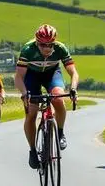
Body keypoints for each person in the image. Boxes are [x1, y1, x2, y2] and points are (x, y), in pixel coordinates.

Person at [14, 24, 79, 169]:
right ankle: (32, 150)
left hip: (52, 74)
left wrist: (73, 89)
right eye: (43, 45)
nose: (47, 48)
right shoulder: (28, 50)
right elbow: (18, 77)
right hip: (32, 76)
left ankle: (60, 133)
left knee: (57, 98)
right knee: (31, 113)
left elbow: (73, 73)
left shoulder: (60, 48)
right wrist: (25, 94)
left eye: (50, 44)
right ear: (37, 43)